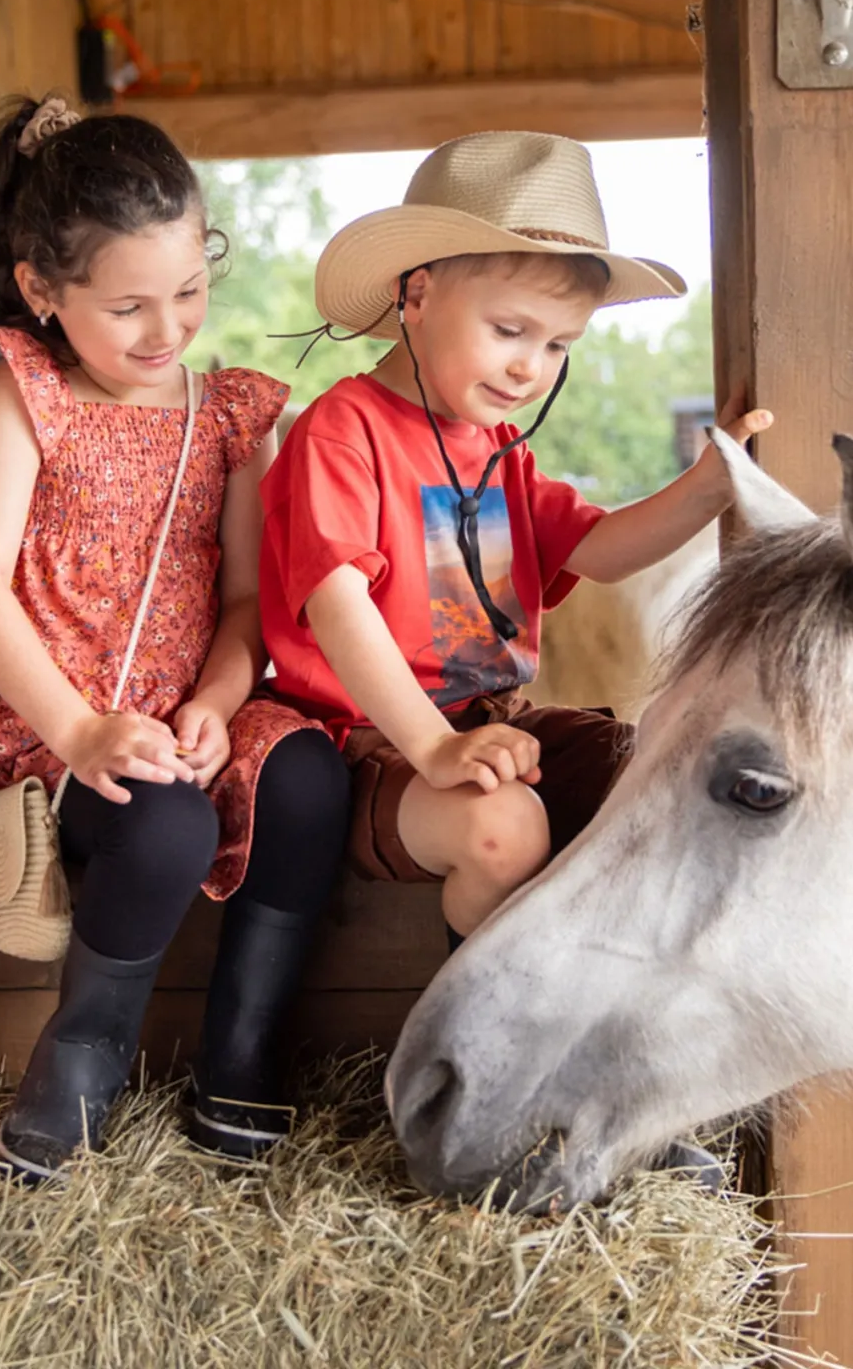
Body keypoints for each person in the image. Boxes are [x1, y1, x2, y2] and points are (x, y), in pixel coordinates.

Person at [0, 98, 350, 1181]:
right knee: (160, 820)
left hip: (187, 702)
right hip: (55, 713)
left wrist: (217, 704)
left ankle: (242, 1046)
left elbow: (240, 604)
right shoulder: (25, 397)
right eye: (126, 306)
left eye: (187, 292)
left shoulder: (227, 416)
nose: (165, 330)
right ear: (42, 291)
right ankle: (83, 1051)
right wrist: (80, 732)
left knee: (306, 777)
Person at [261, 131, 771, 941]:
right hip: (370, 750)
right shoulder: (342, 431)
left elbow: (601, 551)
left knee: (667, 775)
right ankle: (483, 1050)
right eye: (510, 330)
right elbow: (337, 605)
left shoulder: (501, 453)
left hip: (495, 723)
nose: (532, 366)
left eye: (558, 344)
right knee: (506, 831)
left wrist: (710, 486)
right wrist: (432, 749)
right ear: (417, 295)